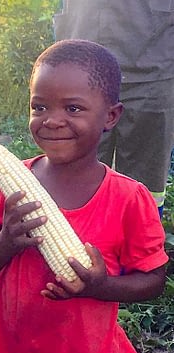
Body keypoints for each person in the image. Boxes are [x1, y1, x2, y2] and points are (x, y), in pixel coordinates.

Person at [0, 40, 168, 353]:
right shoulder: (9, 186)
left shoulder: (128, 199)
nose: (51, 120)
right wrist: (3, 243)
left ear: (111, 116)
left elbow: (154, 280)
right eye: (39, 107)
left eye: (73, 108)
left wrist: (100, 286)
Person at [53, 0, 174, 217]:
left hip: (155, 70)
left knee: (146, 185)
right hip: (81, 67)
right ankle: (79, 245)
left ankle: (142, 246)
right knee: (76, 175)